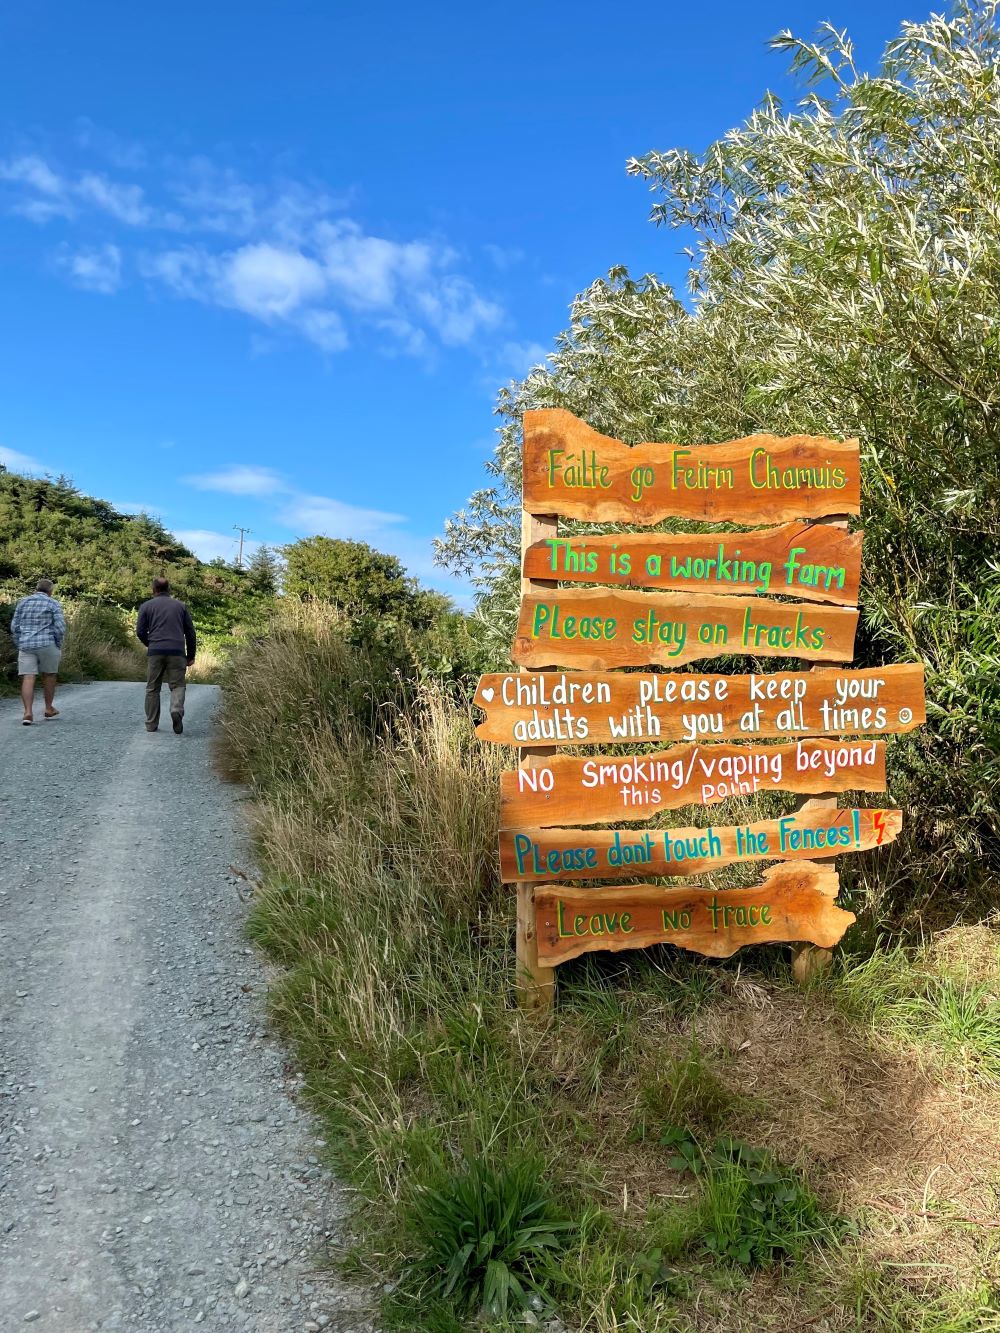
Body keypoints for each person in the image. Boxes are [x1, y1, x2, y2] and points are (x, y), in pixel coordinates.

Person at [135, 577, 197, 734]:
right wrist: (190, 655)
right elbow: (190, 632)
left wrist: (151, 644)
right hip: (177, 652)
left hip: (155, 651)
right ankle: (176, 709)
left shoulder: (146, 606)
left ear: (153, 590)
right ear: (169, 590)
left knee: (152, 688)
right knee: (177, 685)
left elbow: (140, 632)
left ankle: (151, 724)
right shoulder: (180, 606)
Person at [11, 578, 66, 726]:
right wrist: (57, 644)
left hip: (26, 644)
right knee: (49, 675)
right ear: (50, 591)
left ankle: (28, 713)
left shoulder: (23, 602)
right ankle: (48, 708)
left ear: (36, 589)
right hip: (47, 643)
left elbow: (14, 626)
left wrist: (19, 642)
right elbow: (60, 627)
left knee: (28, 677)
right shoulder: (53, 603)